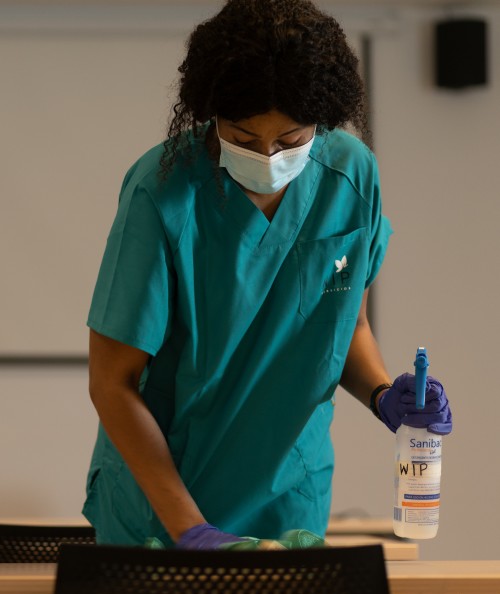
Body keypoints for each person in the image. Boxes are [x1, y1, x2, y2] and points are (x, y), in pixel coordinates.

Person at [82, 0, 453, 550]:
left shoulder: (349, 177)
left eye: (291, 140)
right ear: (211, 115)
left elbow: (345, 326)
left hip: (290, 499)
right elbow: (112, 384)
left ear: (321, 123)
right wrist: (193, 530)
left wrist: (383, 395)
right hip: (167, 507)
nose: (268, 157)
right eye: (244, 138)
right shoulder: (161, 195)